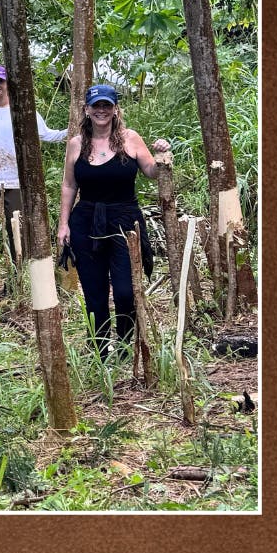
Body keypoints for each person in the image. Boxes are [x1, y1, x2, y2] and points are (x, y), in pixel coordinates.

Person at [56, 84, 170, 358]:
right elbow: (69, 186)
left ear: (116, 109)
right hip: (86, 222)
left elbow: (152, 172)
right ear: (87, 110)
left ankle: (125, 349)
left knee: (124, 291)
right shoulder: (76, 144)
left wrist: (162, 155)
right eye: (96, 106)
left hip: (125, 221)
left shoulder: (130, 138)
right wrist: (63, 224)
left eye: (107, 105)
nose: (101, 111)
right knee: (94, 293)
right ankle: (99, 352)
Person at [0, 65, 68, 269]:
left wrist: (70, 131)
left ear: (8, 83)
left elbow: (45, 134)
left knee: (14, 226)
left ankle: (16, 267)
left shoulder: (23, 108)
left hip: (13, 176)